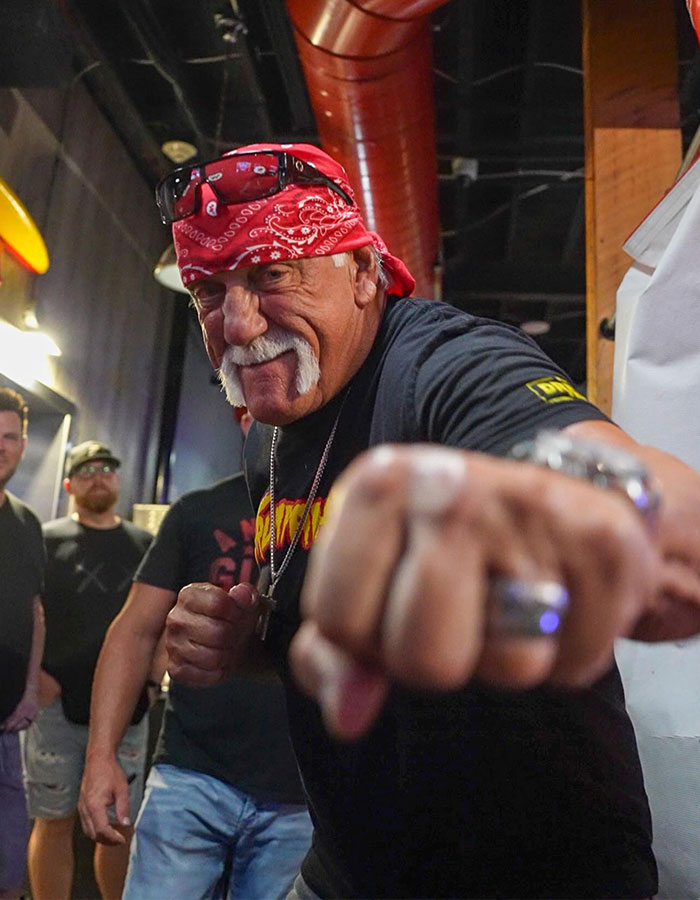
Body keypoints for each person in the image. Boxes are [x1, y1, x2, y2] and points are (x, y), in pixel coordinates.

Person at [159, 143, 700, 898]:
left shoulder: (448, 364)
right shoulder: (272, 436)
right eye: (209, 292)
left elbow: (660, 523)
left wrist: (519, 526)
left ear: (364, 273)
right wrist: (247, 640)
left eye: (271, 275)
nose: (240, 324)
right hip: (347, 869)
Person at [79, 412, 312, 900]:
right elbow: (134, 633)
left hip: (301, 792)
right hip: (193, 773)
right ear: (241, 417)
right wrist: (101, 758)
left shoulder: (340, 507)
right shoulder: (197, 511)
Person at [24, 440, 153, 900]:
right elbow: (24, 612)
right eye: (86, 470)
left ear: (117, 479)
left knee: (117, 824)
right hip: (57, 709)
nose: (98, 476)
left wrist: (153, 680)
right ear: (69, 483)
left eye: (106, 468)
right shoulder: (45, 537)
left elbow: (159, 615)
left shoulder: (144, 543)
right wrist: (34, 679)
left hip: (127, 710)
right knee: (53, 818)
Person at [0, 387, 45, 900]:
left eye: (11, 436)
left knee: (10, 873)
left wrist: (31, 689)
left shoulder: (28, 523)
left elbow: (36, 610)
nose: (3, 445)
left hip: (8, 733)